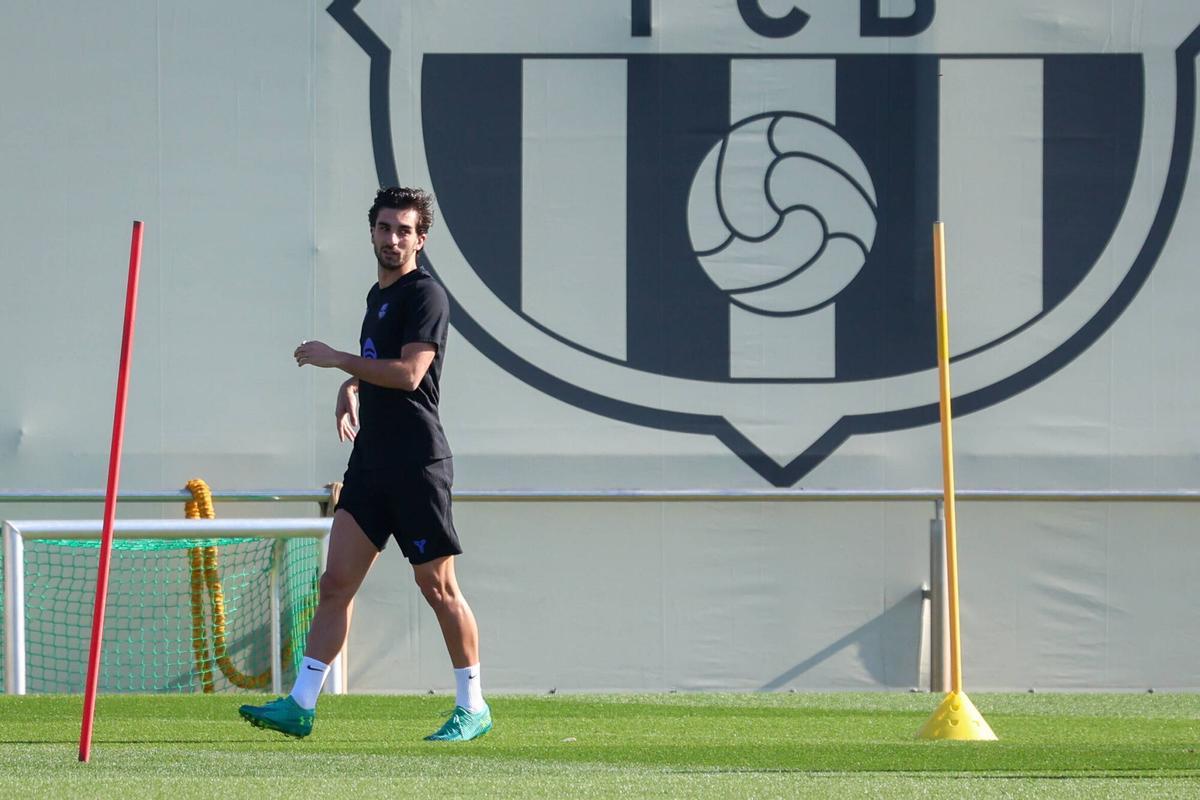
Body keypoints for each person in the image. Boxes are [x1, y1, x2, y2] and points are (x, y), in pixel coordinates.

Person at [239, 187, 490, 742]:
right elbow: (379, 367)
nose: (393, 238)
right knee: (335, 583)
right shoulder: (377, 297)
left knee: (438, 587)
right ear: (371, 232)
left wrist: (335, 361)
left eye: (404, 230)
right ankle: (301, 704)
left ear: (420, 239)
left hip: (417, 464)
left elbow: (408, 374)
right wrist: (351, 385)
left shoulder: (427, 295)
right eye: (384, 228)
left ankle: (473, 706)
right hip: (371, 464)